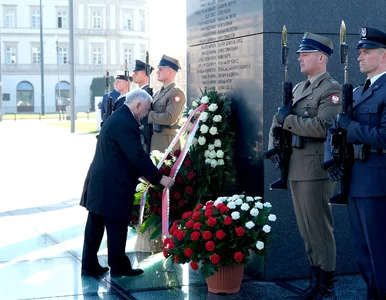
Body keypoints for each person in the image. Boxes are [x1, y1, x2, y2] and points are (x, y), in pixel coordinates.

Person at [268, 32, 342, 300]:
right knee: (306, 228)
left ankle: (326, 287)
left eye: (306, 53)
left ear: (321, 58)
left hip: (315, 169)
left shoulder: (330, 89)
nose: (299, 57)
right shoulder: (300, 88)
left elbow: (325, 127)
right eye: (299, 53)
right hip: (297, 167)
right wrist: (273, 143)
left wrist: (287, 121)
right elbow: (279, 119)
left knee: (319, 228)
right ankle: (315, 282)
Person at [80, 89, 175, 278]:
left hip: (101, 180)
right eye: (146, 109)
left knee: (95, 224)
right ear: (137, 105)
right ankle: (118, 267)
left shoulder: (117, 117)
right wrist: (158, 178)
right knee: (116, 225)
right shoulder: (126, 122)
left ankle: (89, 264)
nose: (146, 114)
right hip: (113, 184)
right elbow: (136, 155)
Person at [327, 27, 386, 300]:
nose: (359, 57)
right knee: (363, 253)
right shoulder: (361, 90)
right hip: (355, 181)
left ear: (383, 56)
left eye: (366, 52)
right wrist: (332, 159)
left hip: (377, 184)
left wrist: (350, 127)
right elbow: (337, 128)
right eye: (360, 52)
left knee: (380, 254)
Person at [148, 55, 186, 152]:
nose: (157, 72)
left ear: (170, 72)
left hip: (166, 141)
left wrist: (149, 115)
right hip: (154, 139)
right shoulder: (158, 93)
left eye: (161, 69)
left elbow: (170, 118)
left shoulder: (176, 92)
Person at [133, 59, 155, 153]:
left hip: (144, 135)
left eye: (136, 73)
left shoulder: (146, 93)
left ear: (145, 74)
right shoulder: (138, 92)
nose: (133, 75)